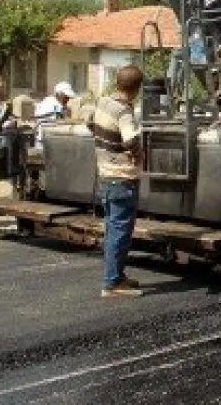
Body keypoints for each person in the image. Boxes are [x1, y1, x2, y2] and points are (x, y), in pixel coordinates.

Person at [85, 65, 145, 298]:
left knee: (113, 229)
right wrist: (137, 153)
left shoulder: (103, 103)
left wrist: (107, 145)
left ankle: (117, 276)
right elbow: (131, 139)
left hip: (106, 176)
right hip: (122, 178)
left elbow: (89, 122)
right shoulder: (123, 112)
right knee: (120, 232)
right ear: (137, 89)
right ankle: (112, 283)